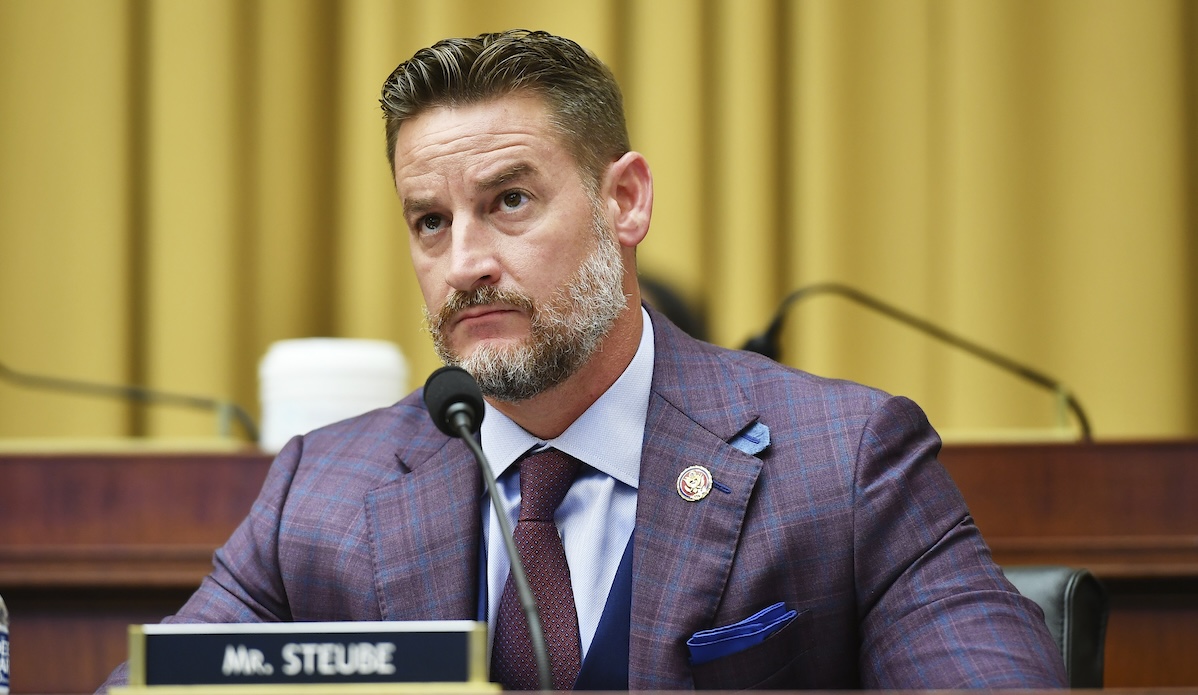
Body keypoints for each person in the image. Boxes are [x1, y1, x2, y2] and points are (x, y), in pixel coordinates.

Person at [99, 29, 1065, 691]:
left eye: (510, 200)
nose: (465, 261)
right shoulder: (324, 491)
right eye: (430, 222)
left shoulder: (846, 460)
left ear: (626, 201)